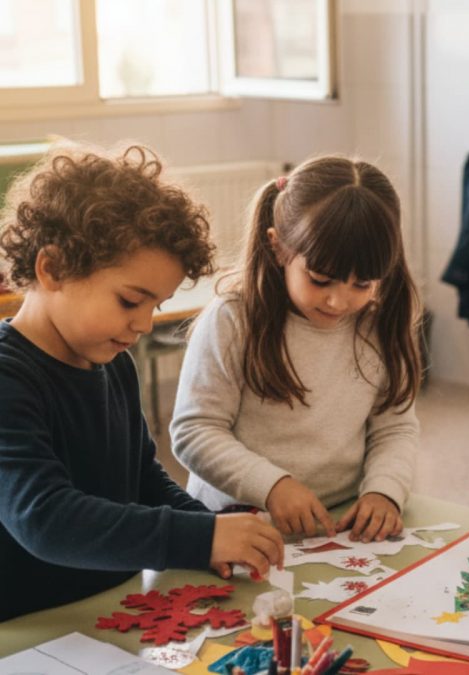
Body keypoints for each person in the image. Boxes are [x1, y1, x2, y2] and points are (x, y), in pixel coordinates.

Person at [0, 144, 284, 621]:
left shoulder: (112, 363)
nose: (146, 324)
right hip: (28, 628)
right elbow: (45, 519)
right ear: (51, 269)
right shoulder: (8, 376)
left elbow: (140, 478)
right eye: (131, 301)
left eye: (156, 304)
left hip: (116, 607)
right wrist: (199, 538)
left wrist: (213, 527)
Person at [171, 156, 422, 543]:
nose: (339, 301)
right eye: (321, 279)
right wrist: (273, 486)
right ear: (279, 248)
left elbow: (395, 427)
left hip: (339, 523)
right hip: (236, 526)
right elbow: (195, 431)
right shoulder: (232, 319)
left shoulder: (380, 323)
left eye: (363, 284)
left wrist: (383, 491)